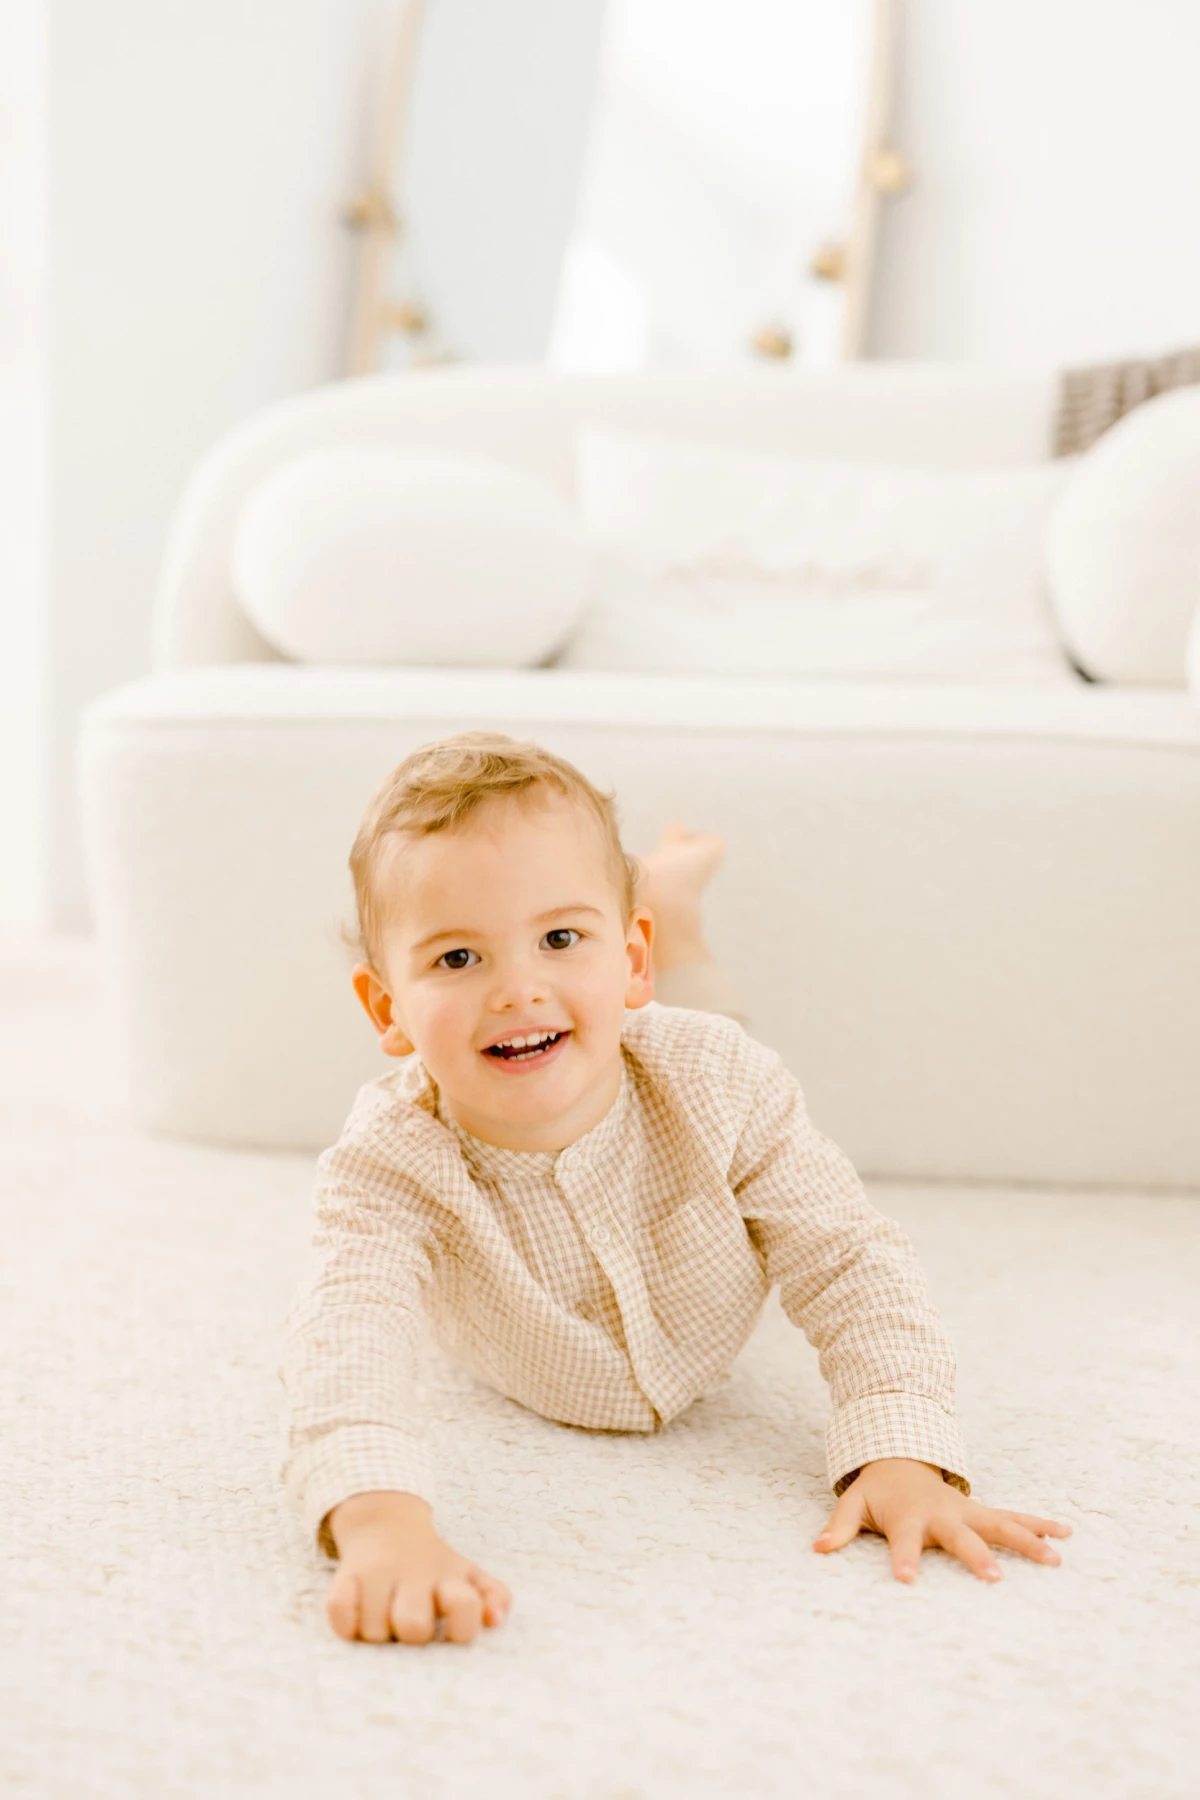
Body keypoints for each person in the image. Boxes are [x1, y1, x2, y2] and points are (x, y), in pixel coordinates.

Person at [278, 732, 1070, 1647]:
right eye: (458, 959)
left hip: (679, 1074)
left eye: (561, 937)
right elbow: (346, 1335)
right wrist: (379, 1523)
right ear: (386, 1010)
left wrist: (901, 1449)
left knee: (708, 1027)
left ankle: (674, 907)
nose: (518, 988)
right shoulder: (387, 1163)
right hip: (568, 1226)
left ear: (628, 955)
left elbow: (849, 1258)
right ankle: (646, 910)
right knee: (645, 1028)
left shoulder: (718, 1082)